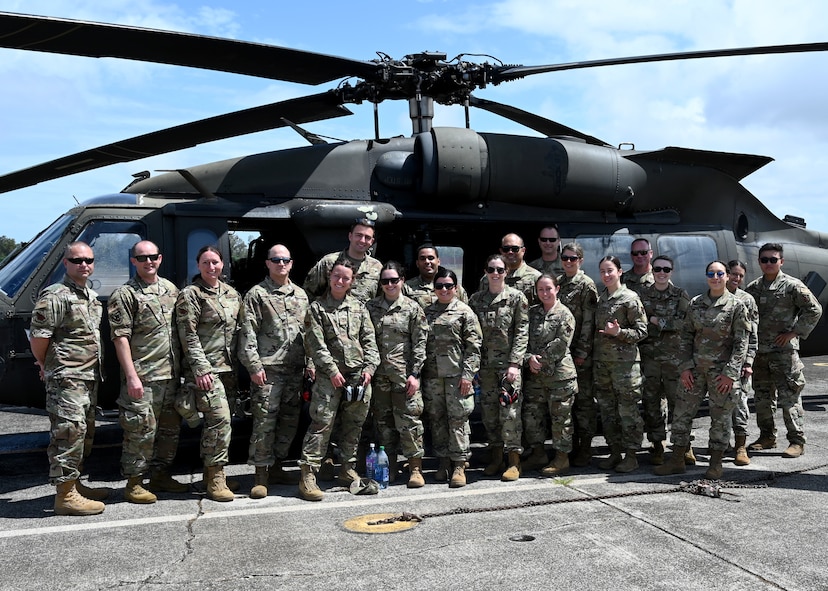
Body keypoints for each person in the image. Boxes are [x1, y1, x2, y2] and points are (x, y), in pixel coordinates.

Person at [30, 241, 109, 516]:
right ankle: (65, 496)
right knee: (68, 433)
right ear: (66, 263)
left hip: (86, 377)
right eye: (77, 260)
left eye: (88, 260)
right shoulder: (55, 296)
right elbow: (39, 338)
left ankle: (74, 484)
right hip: (67, 378)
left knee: (82, 433)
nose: (84, 265)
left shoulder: (89, 295)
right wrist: (46, 364)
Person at [108, 240, 187, 505]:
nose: (148, 262)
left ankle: (161, 475)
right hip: (143, 377)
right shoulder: (126, 294)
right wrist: (131, 376)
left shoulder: (171, 290)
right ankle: (134, 482)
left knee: (169, 431)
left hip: (170, 375)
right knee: (140, 432)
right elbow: (120, 338)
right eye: (142, 258)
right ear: (134, 262)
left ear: (160, 258)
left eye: (152, 257)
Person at [655, 260, 749, 479]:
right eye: (711, 273)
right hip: (695, 372)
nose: (715, 277)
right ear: (706, 276)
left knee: (720, 418)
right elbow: (685, 336)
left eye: (719, 274)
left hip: (722, 374)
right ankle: (677, 459)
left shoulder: (736, 306)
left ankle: (715, 464)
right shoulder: (696, 303)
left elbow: (741, 343)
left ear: (727, 276)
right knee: (681, 416)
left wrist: (731, 374)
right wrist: (686, 367)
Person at [298, 258, 380, 501]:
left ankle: (346, 469)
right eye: (336, 276)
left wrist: (370, 368)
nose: (340, 281)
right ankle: (308, 474)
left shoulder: (358, 307)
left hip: (358, 376)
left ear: (352, 281)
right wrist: (332, 371)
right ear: (329, 277)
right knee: (321, 424)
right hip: (328, 376)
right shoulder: (317, 308)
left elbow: (369, 340)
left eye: (345, 278)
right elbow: (315, 344)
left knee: (353, 425)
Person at [238, 244, 312, 499]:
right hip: (268, 370)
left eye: (285, 260)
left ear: (291, 264)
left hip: (295, 370)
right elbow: (247, 333)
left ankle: (278, 467)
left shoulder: (301, 295)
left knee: (289, 422)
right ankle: (260, 475)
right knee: (264, 423)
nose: (281, 264)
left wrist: (310, 364)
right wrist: (254, 366)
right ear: (267, 263)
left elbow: (309, 333)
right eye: (276, 260)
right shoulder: (256, 295)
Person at [176, 246, 242, 502]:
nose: (211, 267)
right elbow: (188, 335)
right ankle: (215, 478)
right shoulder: (191, 295)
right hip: (207, 371)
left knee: (222, 423)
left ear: (222, 264)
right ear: (198, 265)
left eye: (215, 262)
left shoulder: (231, 294)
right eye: (206, 263)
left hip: (228, 370)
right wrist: (200, 369)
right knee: (219, 421)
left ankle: (210, 473)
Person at [745, 243, 822, 458]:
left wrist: (795, 332)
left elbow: (814, 309)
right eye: (764, 260)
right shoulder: (753, 288)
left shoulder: (792, 286)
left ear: (781, 261)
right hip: (760, 353)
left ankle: (797, 441)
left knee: (789, 398)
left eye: (773, 259)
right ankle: (767, 437)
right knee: (762, 398)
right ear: (759, 262)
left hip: (784, 353)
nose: (769, 263)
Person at [366, 261, 429, 488]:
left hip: (405, 377)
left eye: (394, 280)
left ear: (402, 281)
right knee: (383, 424)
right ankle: (389, 466)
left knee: (410, 422)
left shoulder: (413, 309)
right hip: (379, 376)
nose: (390, 284)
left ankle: (415, 468)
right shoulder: (371, 308)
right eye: (385, 281)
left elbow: (420, 344)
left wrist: (415, 373)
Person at [469, 254, 529, 481]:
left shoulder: (516, 298)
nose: (496, 273)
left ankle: (514, 461)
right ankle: (496, 457)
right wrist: (473, 367)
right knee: (489, 414)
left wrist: (515, 363)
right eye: (491, 269)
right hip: (485, 368)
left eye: (500, 270)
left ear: (506, 272)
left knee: (510, 414)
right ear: (485, 272)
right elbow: (472, 336)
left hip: (508, 368)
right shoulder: (476, 300)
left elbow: (522, 332)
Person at [423, 267, 482, 488]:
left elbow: (474, 347)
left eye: (448, 286)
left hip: (457, 377)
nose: (444, 289)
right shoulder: (427, 312)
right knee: (437, 420)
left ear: (455, 288)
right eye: (439, 286)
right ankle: (443, 461)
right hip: (433, 377)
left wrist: (468, 375)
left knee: (458, 420)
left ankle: (459, 464)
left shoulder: (465, 312)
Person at [593, 255, 648, 472]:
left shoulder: (630, 299)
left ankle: (632, 455)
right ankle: (615, 452)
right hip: (603, 365)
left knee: (628, 412)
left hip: (625, 367)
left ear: (619, 271)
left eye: (610, 271)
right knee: (608, 411)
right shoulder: (601, 299)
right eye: (603, 271)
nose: (606, 275)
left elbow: (642, 331)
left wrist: (620, 332)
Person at [637, 255, 690, 465]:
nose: (661, 273)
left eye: (665, 270)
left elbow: (684, 323)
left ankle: (684, 446)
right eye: (657, 269)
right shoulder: (642, 295)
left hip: (674, 361)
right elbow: (639, 324)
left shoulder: (680, 294)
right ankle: (657, 445)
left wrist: (658, 321)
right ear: (652, 271)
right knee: (651, 405)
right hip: (650, 360)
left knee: (679, 405)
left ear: (671, 272)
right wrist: (664, 323)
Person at [523, 274, 578, 476]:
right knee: (532, 416)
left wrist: (540, 360)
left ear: (557, 289)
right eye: (541, 290)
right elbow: (522, 339)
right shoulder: (532, 313)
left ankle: (562, 458)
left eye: (548, 289)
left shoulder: (565, 314)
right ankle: (538, 454)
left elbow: (561, 345)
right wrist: (529, 358)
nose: (545, 293)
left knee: (560, 419)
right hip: (535, 376)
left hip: (560, 377)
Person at [554, 242, 599, 467]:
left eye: (573, 258)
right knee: (566, 403)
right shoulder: (559, 283)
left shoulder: (586, 285)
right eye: (565, 258)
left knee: (583, 402)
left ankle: (585, 447)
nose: (568, 262)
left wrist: (582, 352)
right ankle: (568, 446)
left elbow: (589, 322)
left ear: (580, 260)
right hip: (562, 352)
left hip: (580, 354)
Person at [303, 218, 383, 303]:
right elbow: (308, 293)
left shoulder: (377, 267)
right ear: (350, 236)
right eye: (358, 235)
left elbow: (381, 299)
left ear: (372, 241)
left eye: (367, 237)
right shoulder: (329, 262)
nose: (362, 240)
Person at [726, 259, 759, 466]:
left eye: (740, 275)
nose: (736, 278)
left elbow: (752, 336)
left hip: (738, 362)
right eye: (733, 274)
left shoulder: (747, 300)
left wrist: (748, 362)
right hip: (716, 361)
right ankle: (721, 444)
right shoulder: (712, 297)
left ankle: (740, 446)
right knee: (719, 407)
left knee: (740, 404)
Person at [479, 233, 541, 303]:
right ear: (501, 251)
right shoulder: (488, 278)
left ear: (523, 250)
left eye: (515, 249)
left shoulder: (536, 277)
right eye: (506, 249)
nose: (510, 252)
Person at [404, 243, 468, 308]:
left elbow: (466, 311)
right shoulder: (407, 288)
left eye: (431, 258)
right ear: (417, 263)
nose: (427, 261)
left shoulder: (455, 287)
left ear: (438, 261)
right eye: (422, 259)